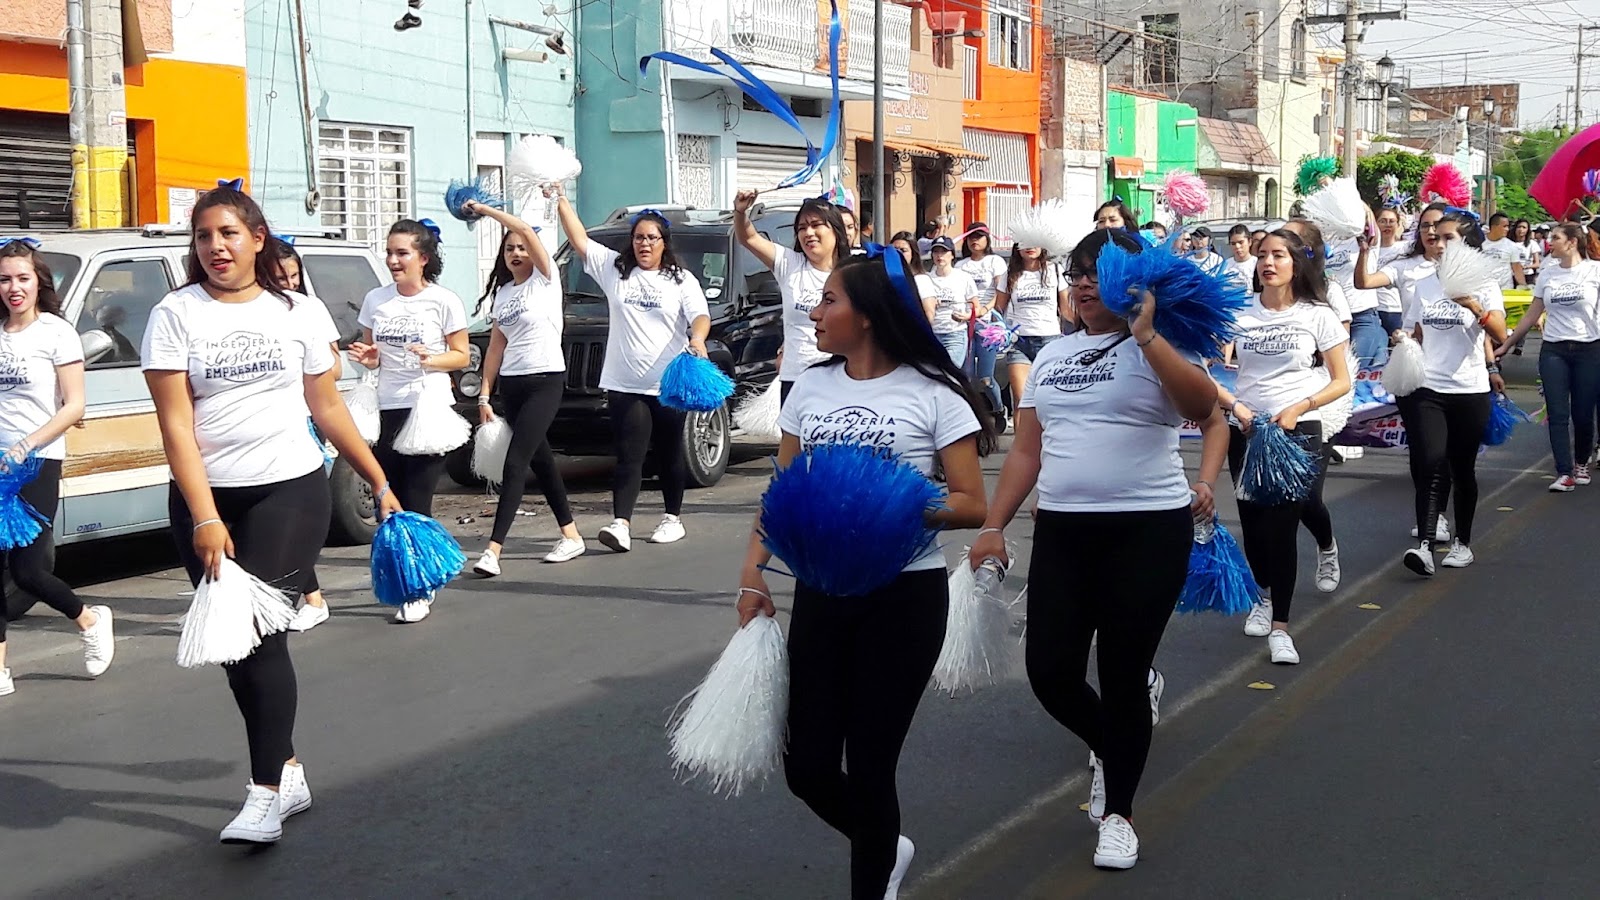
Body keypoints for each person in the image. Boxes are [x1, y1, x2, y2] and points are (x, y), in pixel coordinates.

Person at [140, 183, 401, 843]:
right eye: (204, 237)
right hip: (205, 498)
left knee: (263, 636)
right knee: (236, 646)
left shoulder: (302, 314)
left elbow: (329, 407)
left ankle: (263, 794)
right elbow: (176, 427)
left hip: (288, 490)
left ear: (258, 238)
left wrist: (375, 476)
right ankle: (286, 767)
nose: (216, 247)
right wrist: (203, 516)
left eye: (228, 233)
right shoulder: (175, 314)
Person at [736, 250, 992, 899]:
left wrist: (888, 504)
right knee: (808, 766)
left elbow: (971, 503)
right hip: (823, 595)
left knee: (873, 764)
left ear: (869, 316)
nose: (814, 311)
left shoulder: (932, 393)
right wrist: (752, 575)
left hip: (904, 597)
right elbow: (784, 490)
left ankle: (873, 879)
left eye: (828, 301)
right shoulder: (813, 388)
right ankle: (886, 846)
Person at [970, 228, 1225, 871]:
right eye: (1077, 271)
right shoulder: (1052, 355)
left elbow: (1202, 407)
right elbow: (1026, 450)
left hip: (1147, 530)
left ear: (1132, 281)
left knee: (1119, 673)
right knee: (1050, 673)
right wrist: (993, 524)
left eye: (1099, 272)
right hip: (1064, 529)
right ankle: (1117, 744)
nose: (1083, 283)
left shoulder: (1161, 346)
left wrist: (1146, 335)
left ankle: (1118, 812)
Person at [1215, 228, 1352, 665]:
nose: (1268, 263)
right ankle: (1263, 595)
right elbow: (1203, 368)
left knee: (1284, 526)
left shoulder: (1319, 315)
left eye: (1278, 255)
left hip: (1298, 427)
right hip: (1248, 429)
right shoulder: (1239, 313)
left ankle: (1281, 627)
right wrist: (1235, 405)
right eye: (1262, 256)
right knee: (1253, 526)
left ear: (1297, 264)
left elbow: (1341, 380)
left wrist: (1300, 406)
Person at [552, 189, 712, 553]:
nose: (644, 243)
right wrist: (561, 199)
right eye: (639, 237)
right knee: (629, 454)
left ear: (663, 243)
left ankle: (672, 518)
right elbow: (579, 239)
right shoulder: (615, 271)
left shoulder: (681, 280)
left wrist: (698, 340)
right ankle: (620, 522)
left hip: (668, 382)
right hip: (625, 382)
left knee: (670, 451)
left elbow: (700, 316)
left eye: (651, 238)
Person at [0, 241, 113, 696]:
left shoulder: (56, 333)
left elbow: (75, 405)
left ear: (38, 282)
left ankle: (88, 619)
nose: (14, 288)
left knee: (27, 570)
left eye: (22, 278)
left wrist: (27, 445)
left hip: (36, 461)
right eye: (5, 279)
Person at [349, 220, 470, 624]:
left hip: (428, 408)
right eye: (389, 252)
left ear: (423, 258)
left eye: (402, 253)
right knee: (388, 500)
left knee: (417, 502)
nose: (393, 260)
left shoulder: (444, 301)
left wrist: (430, 359)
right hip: (386, 408)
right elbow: (373, 353)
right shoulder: (375, 300)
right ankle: (407, 575)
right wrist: (369, 358)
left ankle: (418, 587)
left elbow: (462, 356)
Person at [465, 200, 585, 574]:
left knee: (515, 463)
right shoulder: (504, 294)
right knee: (542, 461)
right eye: (509, 248)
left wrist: (486, 210)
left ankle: (493, 551)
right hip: (512, 387)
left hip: (545, 381)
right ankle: (571, 535)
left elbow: (530, 232)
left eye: (521, 247)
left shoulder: (546, 281)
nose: (516, 253)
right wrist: (485, 394)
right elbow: (497, 345)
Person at [1391, 210, 1507, 574]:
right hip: (1429, 388)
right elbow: (1414, 330)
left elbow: (1501, 334)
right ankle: (1424, 546)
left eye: (1448, 238)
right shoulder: (1425, 284)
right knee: (1430, 462)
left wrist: (1472, 304)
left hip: (1470, 390)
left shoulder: (1486, 284)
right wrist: (1404, 338)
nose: (1438, 244)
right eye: (1435, 237)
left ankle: (1463, 542)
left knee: (1462, 469)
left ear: (1468, 242)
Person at [268, 238, 342, 632]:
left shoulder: (311, 309)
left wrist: (304, 366)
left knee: (294, 514)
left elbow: (336, 367)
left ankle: (310, 597)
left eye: (295, 276)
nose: (289, 283)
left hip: (304, 417)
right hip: (263, 421)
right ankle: (302, 595)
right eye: (281, 276)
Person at [1499, 223, 1600, 489]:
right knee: (1557, 413)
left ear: (1572, 243)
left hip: (1589, 349)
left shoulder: (1595, 271)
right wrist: (1507, 343)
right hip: (1554, 349)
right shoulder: (1548, 273)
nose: (1549, 242)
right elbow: (1533, 313)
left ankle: (1581, 461)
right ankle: (1564, 472)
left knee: (1582, 413)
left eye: (1555, 238)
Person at [734, 191, 849, 404]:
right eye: (802, 228)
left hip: (840, 377)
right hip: (796, 378)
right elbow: (748, 238)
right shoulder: (790, 263)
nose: (809, 233)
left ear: (836, 230)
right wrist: (741, 211)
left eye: (816, 225)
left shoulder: (854, 269)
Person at [993, 243, 1072, 416]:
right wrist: (996, 332)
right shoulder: (1010, 274)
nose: (1030, 246)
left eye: (1034, 241)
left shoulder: (1055, 270)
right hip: (1019, 342)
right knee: (1021, 399)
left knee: (1048, 398)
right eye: (1024, 242)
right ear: (1017, 248)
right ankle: (1020, 443)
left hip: (1049, 342)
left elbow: (1066, 311)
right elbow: (998, 310)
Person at [1323, 212, 1387, 368]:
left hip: (1362, 316)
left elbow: (1366, 214)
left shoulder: (1364, 238)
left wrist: (1346, 192)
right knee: (1332, 370)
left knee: (1352, 368)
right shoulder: (1325, 242)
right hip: (1333, 316)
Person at [925, 236, 979, 370]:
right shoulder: (926, 279)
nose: (939, 256)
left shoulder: (963, 277)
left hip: (955, 334)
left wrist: (967, 316)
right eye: (936, 252)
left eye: (944, 252)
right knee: (934, 375)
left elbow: (976, 307)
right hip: (932, 334)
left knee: (949, 372)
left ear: (952, 255)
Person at [889, 231, 940, 324]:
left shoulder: (921, 280)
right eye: (894, 250)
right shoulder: (884, 277)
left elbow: (929, 313)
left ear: (913, 254)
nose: (898, 254)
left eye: (903, 250)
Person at [956, 223, 1007, 312]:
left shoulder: (995, 261)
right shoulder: (960, 265)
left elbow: (1001, 292)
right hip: (965, 317)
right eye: (971, 237)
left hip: (989, 316)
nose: (974, 240)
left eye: (978, 237)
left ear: (987, 239)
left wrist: (984, 310)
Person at [1373, 206, 1408, 334]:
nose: (1387, 225)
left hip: (1396, 309)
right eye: (1383, 221)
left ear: (1398, 224)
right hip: (1374, 309)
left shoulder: (1405, 248)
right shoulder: (1369, 250)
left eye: (1391, 221)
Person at [1481, 213, 1530, 290]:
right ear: (1494, 227)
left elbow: (1517, 268)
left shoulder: (1511, 246)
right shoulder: (1479, 243)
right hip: (1484, 289)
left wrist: (1524, 286)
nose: (1507, 229)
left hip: (1504, 289)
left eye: (1508, 226)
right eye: (1504, 226)